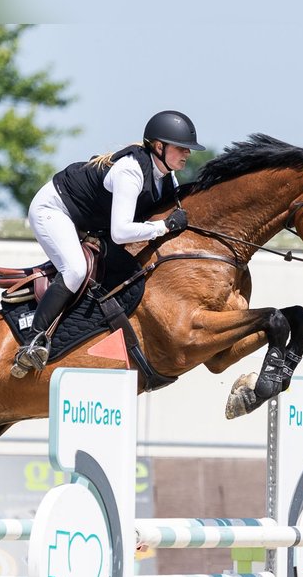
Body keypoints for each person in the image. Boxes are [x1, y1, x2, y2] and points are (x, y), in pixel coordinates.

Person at [12, 110, 204, 377]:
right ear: (159, 147)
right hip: (54, 209)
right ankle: (33, 340)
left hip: (89, 220)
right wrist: (164, 226)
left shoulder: (166, 177)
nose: (188, 153)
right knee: (75, 270)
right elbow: (121, 232)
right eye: (181, 147)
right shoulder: (131, 171)